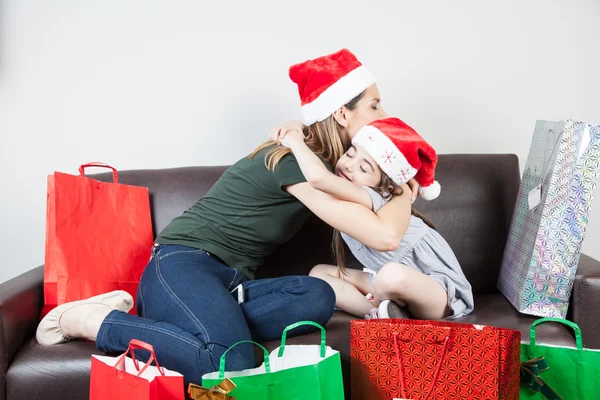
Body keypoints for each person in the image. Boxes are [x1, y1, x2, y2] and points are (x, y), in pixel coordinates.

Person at [35, 49, 418, 384]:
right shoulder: (295, 162)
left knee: (318, 295)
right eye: (374, 105)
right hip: (183, 263)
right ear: (341, 113)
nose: (384, 114)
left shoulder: (331, 166)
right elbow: (385, 237)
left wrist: (404, 180)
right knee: (230, 360)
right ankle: (94, 320)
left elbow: (376, 203)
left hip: (230, 285)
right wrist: (405, 188)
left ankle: (187, 327)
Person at [272, 117, 474, 320]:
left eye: (364, 168)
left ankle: (385, 307)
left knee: (389, 276)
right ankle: (379, 314)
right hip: (383, 283)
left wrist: (294, 141)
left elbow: (318, 178)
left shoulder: (378, 196)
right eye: (350, 154)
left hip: (437, 292)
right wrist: (301, 127)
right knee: (319, 274)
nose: (350, 166)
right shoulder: (349, 197)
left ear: (385, 185)